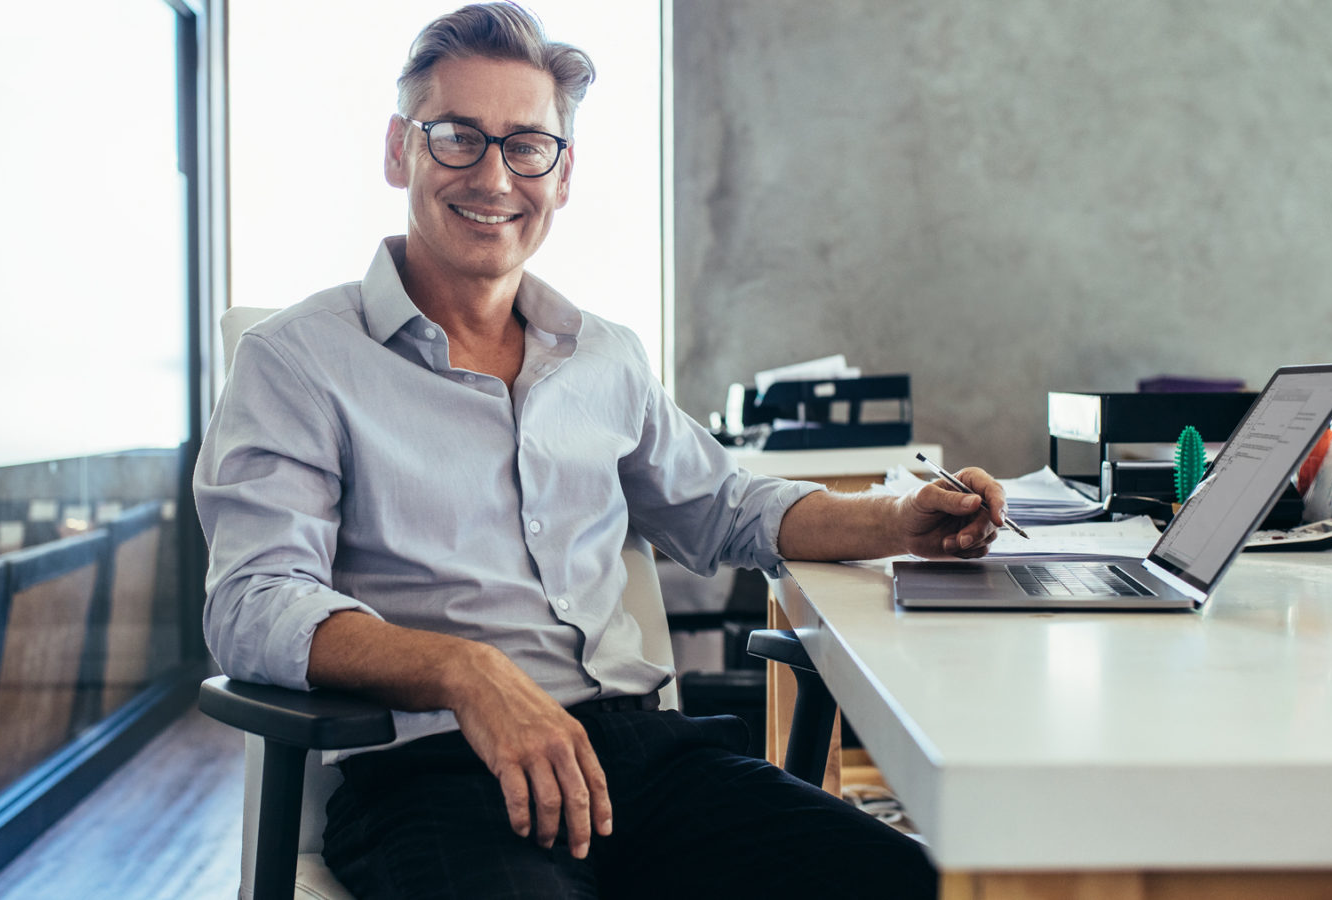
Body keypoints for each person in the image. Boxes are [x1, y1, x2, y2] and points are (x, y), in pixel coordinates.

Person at [194, 4, 1007, 896]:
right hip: (437, 781)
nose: (494, 175)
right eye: (457, 136)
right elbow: (254, 600)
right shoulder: (297, 361)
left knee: (915, 885)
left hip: (647, 761)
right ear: (400, 150)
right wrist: (465, 673)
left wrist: (900, 520)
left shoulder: (603, 355)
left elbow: (728, 508)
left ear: (563, 171)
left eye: (527, 144)